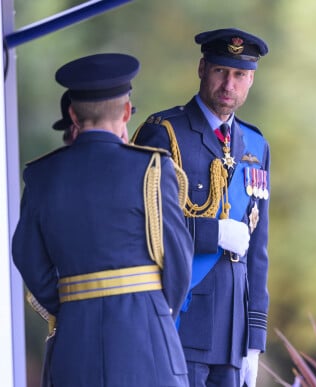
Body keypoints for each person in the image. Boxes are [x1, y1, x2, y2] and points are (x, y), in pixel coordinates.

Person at [12, 52, 194, 387]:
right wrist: (153, 310)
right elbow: (179, 261)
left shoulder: (41, 175)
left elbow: (26, 255)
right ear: (126, 111)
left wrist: (69, 302)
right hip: (146, 337)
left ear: (72, 114)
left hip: (74, 341)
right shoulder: (152, 168)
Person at [131, 28, 271, 387]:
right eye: (221, 71)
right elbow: (143, 225)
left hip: (233, 331)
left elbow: (258, 249)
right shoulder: (164, 133)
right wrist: (213, 234)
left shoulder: (255, 144)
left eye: (239, 75)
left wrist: (254, 340)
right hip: (182, 318)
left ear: (251, 79)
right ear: (202, 68)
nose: (229, 84)